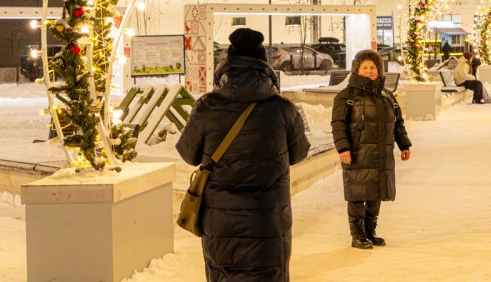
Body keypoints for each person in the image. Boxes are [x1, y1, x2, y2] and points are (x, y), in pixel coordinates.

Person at [176, 27, 310, 281]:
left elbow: (188, 154)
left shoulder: (206, 107)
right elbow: (299, 153)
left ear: (227, 64)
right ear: (264, 65)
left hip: (220, 222)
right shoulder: (283, 109)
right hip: (269, 220)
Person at [331, 49, 412, 250]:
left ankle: (369, 231)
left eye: (373, 67)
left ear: (379, 70)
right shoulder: (347, 96)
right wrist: (343, 148)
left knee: (377, 193)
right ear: (357, 70)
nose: (369, 71)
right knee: (357, 194)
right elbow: (338, 125)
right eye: (364, 67)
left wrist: (404, 144)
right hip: (358, 153)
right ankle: (357, 234)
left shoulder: (387, 96)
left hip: (382, 154)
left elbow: (397, 123)